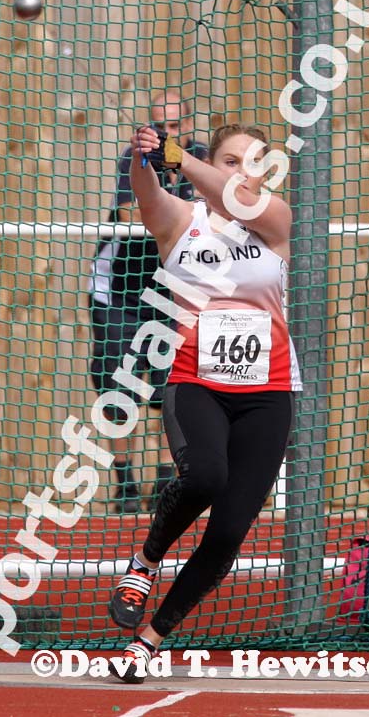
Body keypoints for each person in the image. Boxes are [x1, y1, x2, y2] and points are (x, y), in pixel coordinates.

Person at [107, 121, 302, 682]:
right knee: (204, 477)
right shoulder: (180, 220)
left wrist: (181, 158)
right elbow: (147, 192)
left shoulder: (275, 221)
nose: (243, 171)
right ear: (212, 164)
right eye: (232, 160)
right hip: (197, 381)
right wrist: (148, 158)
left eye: (253, 163)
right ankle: (144, 563)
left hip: (270, 394)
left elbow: (249, 203)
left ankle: (148, 640)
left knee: (227, 534)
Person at [88, 93, 208, 513]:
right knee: (117, 387)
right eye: (158, 127)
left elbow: (206, 215)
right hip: (120, 290)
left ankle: (161, 482)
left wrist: (170, 210)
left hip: (172, 291)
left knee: (166, 387)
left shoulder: (198, 159)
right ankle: (125, 484)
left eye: (173, 127)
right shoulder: (135, 158)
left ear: (187, 127)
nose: (164, 135)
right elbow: (126, 213)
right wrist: (175, 214)